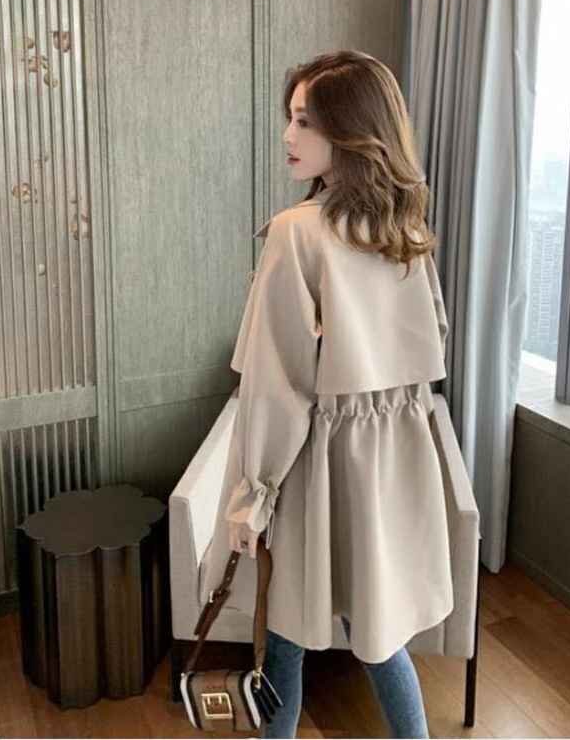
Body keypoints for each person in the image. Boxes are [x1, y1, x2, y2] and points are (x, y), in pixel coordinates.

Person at [198, 50, 454, 739]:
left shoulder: (297, 232)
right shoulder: (406, 232)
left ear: (350, 130)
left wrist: (254, 495)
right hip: (394, 465)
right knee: (380, 636)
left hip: (313, 466)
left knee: (284, 633)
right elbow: (431, 343)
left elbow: (277, 384)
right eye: (291, 118)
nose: (288, 135)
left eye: (306, 121)